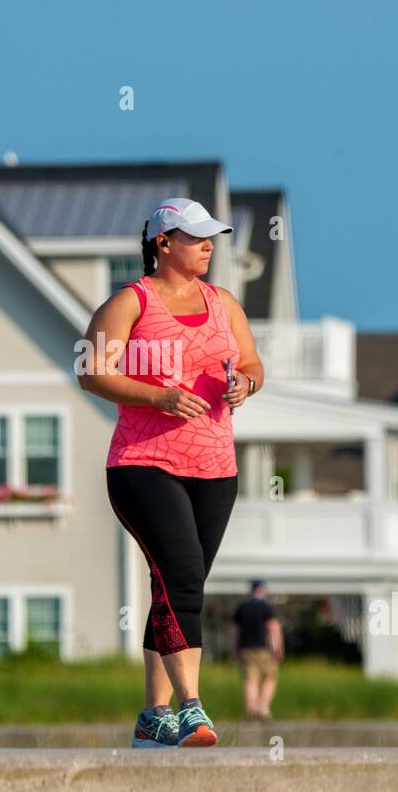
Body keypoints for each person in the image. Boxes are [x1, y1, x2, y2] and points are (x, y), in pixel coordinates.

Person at [78, 196, 265, 748]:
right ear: (164, 243)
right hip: (143, 465)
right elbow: (91, 371)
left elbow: (253, 363)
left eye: (212, 237)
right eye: (196, 237)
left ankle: (151, 716)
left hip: (215, 467)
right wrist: (157, 396)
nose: (208, 245)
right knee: (182, 575)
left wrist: (245, 384)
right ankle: (191, 709)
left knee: (176, 588)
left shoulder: (223, 302)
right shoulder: (130, 302)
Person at [232, 579, 283, 721]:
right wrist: (278, 647)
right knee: (270, 677)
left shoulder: (242, 607)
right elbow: (273, 628)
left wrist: (236, 647)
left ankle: (251, 709)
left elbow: (236, 630)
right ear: (263, 589)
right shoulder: (267, 607)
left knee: (250, 680)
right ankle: (263, 707)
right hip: (264, 649)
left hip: (245, 648)